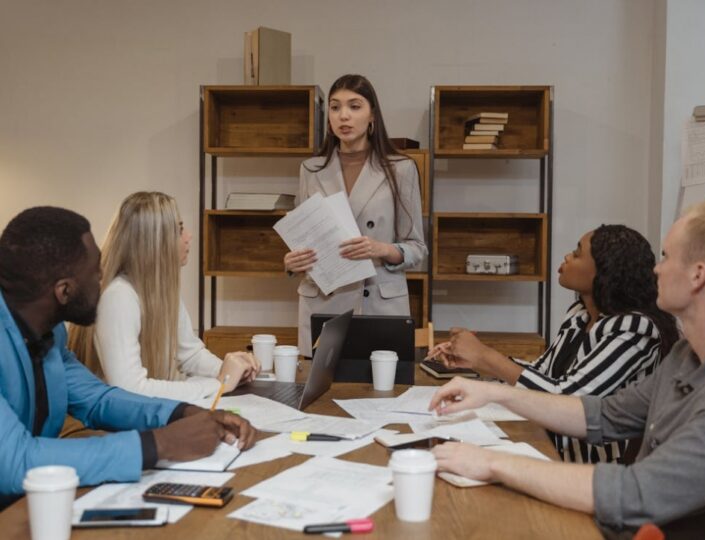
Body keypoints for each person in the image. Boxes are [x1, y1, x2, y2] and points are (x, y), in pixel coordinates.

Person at [428, 202, 705, 537]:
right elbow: (602, 414)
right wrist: (493, 391)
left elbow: (637, 494)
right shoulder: (685, 355)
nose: (656, 270)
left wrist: (492, 463)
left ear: (698, 275)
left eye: (667, 257)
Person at [0, 206, 257, 509]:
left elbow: (98, 400)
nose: (103, 278)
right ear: (64, 290)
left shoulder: (50, 332)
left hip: (34, 503)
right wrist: (159, 444)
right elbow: (16, 461)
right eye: (96, 272)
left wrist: (182, 414)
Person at [427, 224, 679, 463]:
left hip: (595, 468)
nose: (567, 257)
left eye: (578, 253)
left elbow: (569, 400)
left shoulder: (635, 328)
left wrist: (486, 357)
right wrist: (477, 364)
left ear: (604, 271)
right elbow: (542, 373)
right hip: (550, 446)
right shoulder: (580, 314)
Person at [283, 74, 427, 357]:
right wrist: (292, 261)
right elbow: (304, 239)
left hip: (377, 302)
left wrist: (381, 248)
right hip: (324, 303)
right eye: (335, 108)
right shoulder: (310, 170)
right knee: (318, 397)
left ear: (372, 114)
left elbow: (417, 248)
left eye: (354, 106)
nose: (343, 116)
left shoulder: (401, 168)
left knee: (379, 396)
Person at [68, 192, 259, 401]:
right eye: (179, 230)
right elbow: (130, 389)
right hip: (111, 423)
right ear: (155, 242)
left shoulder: (159, 290)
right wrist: (218, 383)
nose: (188, 236)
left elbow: (190, 354)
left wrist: (232, 371)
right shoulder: (118, 297)